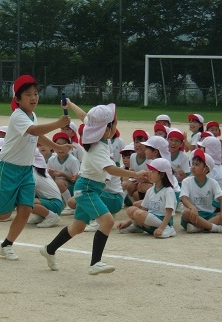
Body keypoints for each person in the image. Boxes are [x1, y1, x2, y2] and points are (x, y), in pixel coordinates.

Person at [0, 74, 72, 261]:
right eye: (28, 94)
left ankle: (7, 245)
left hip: (25, 170)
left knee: (25, 209)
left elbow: (36, 136)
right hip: (8, 169)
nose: (33, 98)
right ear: (17, 99)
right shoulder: (18, 116)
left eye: (35, 93)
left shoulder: (32, 115)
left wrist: (57, 147)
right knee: (3, 213)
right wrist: (58, 124)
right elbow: (32, 131)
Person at [39, 102, 146, 275]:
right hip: (87, 188)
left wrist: (70, 104)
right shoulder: (98, 148)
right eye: (113, 122)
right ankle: (95, 262)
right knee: (108, 221)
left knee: (77, 227)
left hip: (90, 188)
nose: (115, 123)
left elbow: (84, 117)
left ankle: (49, 249)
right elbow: (111, 170)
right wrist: (137, 174)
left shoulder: (97, 136)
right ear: (105, 129)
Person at [180, 149, 222, 233]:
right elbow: (184, 198)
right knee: (186, 212)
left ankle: (199, 228)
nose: (193, 167)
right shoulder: (187, 181)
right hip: (193, 215)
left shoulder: (213, 183)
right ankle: (217, 228)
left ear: (206, 169)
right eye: (193, 164)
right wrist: (192, 207)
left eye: (197, 165)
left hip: (208, 215)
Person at [27, 149, 63, 228]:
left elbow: (30, 191)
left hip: (55, 204)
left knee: (26, 202)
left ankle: (51, 216)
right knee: (27, 199)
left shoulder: (33, 173)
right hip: (52, 202)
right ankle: (42, 215)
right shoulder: (38, 171)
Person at [47, 132, 80, 212]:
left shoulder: (73, 160)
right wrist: (50, 174)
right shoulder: (52, 160)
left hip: (72, 188)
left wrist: (63, 174)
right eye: (58, 144)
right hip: (59, 187)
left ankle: (69, 205)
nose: (61, 148)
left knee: (59, 182)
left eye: (64, 145)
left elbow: (76, 179)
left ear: (69, 147)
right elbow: (48, 177)